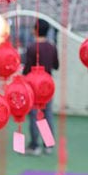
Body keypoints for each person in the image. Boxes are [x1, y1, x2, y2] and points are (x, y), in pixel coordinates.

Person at [23, 18, 59, 156]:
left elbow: (26, 70)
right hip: (47, 86)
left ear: (35, 30)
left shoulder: (32, 48)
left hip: (33, 87)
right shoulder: (51, 47)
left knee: (34, 115)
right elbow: (56, 66)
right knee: (46, 114)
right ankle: (48, 145)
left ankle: (35, 146)